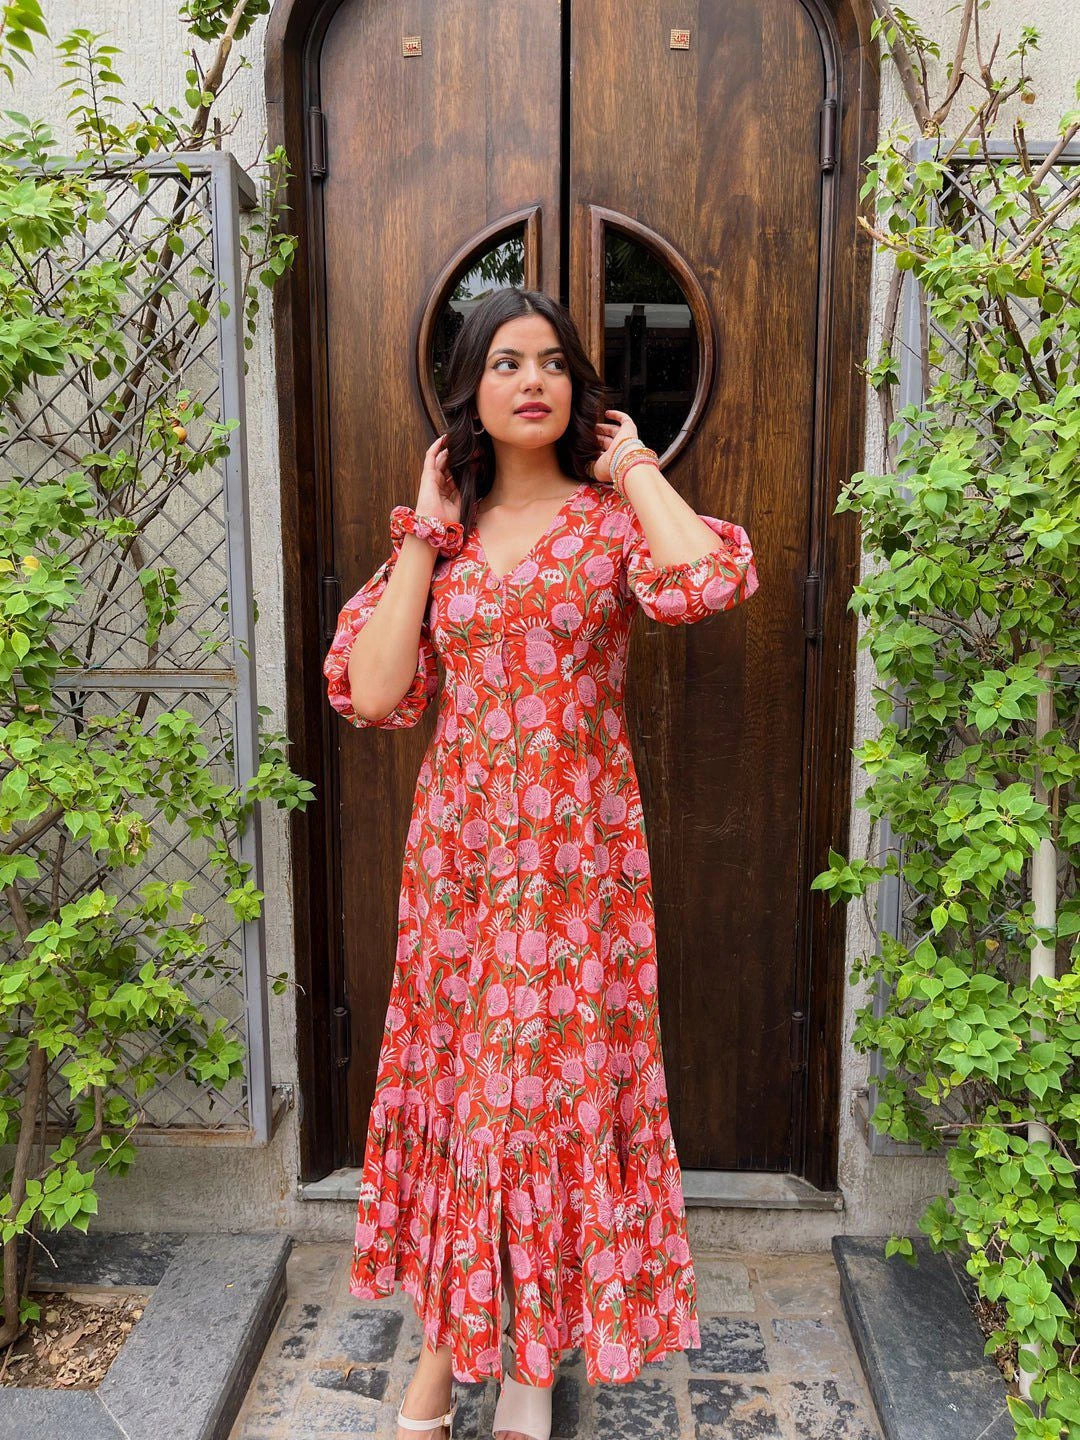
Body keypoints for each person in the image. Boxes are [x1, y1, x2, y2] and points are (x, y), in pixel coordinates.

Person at [323, 287, 759, 1440]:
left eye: (556, 364)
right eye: (508, 361)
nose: (535, 380)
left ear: (579, 392)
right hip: (462, 864)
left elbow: (708, 582)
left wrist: (637, 473)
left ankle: (515, 1362)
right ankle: (452, 1353)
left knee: (540, 1112)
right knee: (470, 1104)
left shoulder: (612, 523)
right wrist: (422, 527)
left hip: (576, 866)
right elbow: (372, 694)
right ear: (469, 387)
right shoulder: (445, 539)